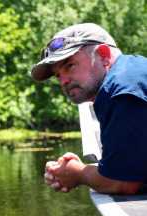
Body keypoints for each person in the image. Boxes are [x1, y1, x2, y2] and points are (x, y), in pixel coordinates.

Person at [31, 23, 147, 194]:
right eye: (57, 75)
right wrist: (74, 170)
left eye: (69, 66)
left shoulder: (121, 90)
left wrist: (78, 174)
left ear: (104, 56)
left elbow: (123, 182)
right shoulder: (133, 71)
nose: (63, 81)